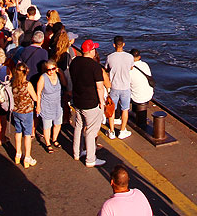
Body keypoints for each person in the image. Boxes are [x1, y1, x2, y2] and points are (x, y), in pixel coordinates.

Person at [70, 39, 107, 167]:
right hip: (91, 102)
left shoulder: (75, 62)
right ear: (91, 51)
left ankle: (77, 153)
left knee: (79, 127)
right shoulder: (95, 66)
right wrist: (102, 102)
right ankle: (90, 159)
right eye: (94, 49)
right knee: (91, 131)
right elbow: (99, 87)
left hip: (77, 100)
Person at [105, 36, 134, 140]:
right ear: (123, 44)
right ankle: (122, 131)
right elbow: (131, 67)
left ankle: (112, 131)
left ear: (114, 45)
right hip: (125, 87)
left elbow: (107, 68)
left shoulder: (110, 57)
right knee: (125, 110)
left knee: (111, 110)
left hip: (114, 87)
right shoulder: (130, 57)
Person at [10, 62, 38, 168]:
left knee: (18, 131)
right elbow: (35, 98)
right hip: (27, 111)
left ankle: (18, 154)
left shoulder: (13, 83)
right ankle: (27, 157)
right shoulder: (27, 84)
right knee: (27, 134)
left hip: (16, 110)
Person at [35, 58, 64, 153]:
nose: (51, 71)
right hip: (46, 105)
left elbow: (65, 83)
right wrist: (38, 106)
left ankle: (54, 139)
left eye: (53, 69)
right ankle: (47, 143)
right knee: (47, 126)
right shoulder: (43, 78)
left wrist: (61, 73)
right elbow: (38, 93)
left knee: (57, 124)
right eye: (49, 70)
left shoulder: (58, 75)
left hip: (57, 105)